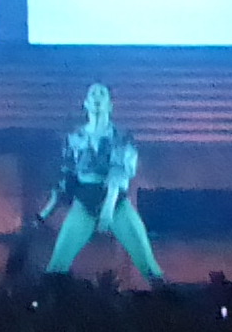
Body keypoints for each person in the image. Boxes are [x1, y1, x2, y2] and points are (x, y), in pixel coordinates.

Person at [37, 82, 164, 283]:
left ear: (110, 105)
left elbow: (120, 172)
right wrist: (46, 211)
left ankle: (166, 299)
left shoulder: (121, 136)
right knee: (57, 266)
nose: (97, 97)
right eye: (93, 94)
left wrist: (108, 208)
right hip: (84, 203)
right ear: (86, 103)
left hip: (117, 204)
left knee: (148, 265)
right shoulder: (75, 138)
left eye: (102, 94)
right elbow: (67, 177)